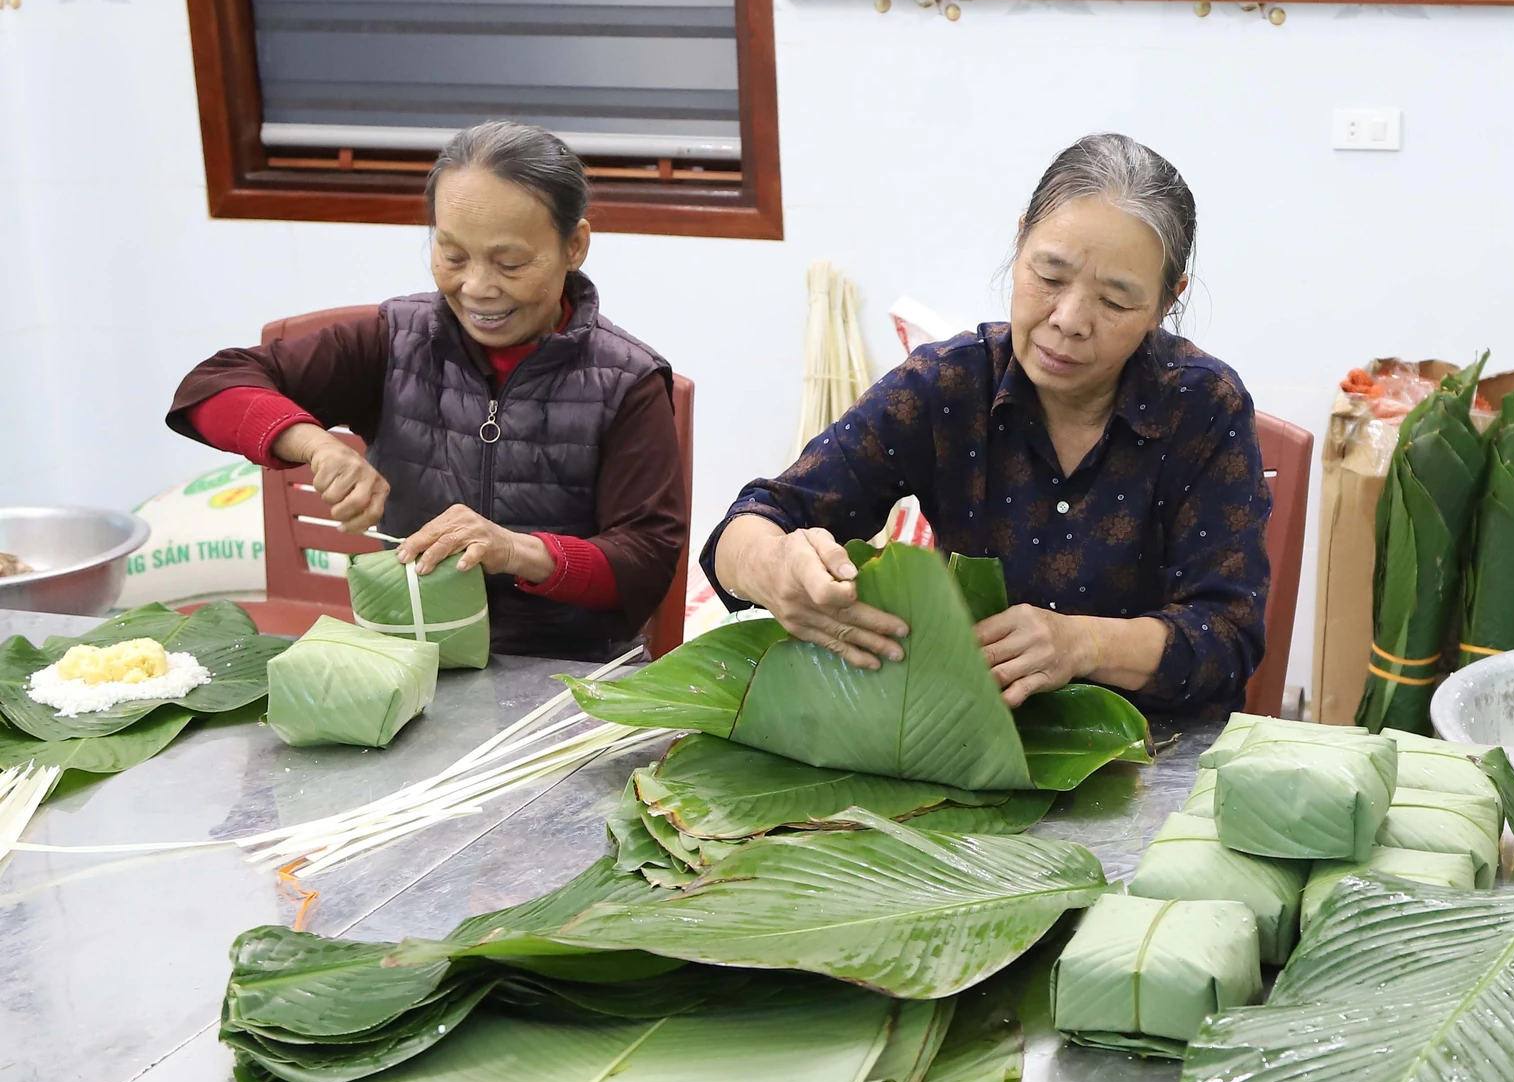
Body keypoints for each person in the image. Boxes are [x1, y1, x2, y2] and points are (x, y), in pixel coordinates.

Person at [705, 132, 1269, 715]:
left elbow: (1228, 636)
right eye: (1050, 276)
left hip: (1153, 748)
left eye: (1116, 302)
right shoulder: (948, 385)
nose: (1069, 320)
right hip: (965, 733)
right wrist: (772, 565)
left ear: (1165, 303)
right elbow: (749, 525)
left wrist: (1084, 643)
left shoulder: (1205, 408)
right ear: (1020, 239)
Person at [168, 121, 687, 661]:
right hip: (411, 655)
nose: (477, 288)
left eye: (509, 264)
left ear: (573, 246)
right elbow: (209, 387)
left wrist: (517, 551)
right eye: (453, 256)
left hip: (563, 669)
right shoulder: (395, 341)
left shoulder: (627, 381)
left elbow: (645, 562)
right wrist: (316, 445)